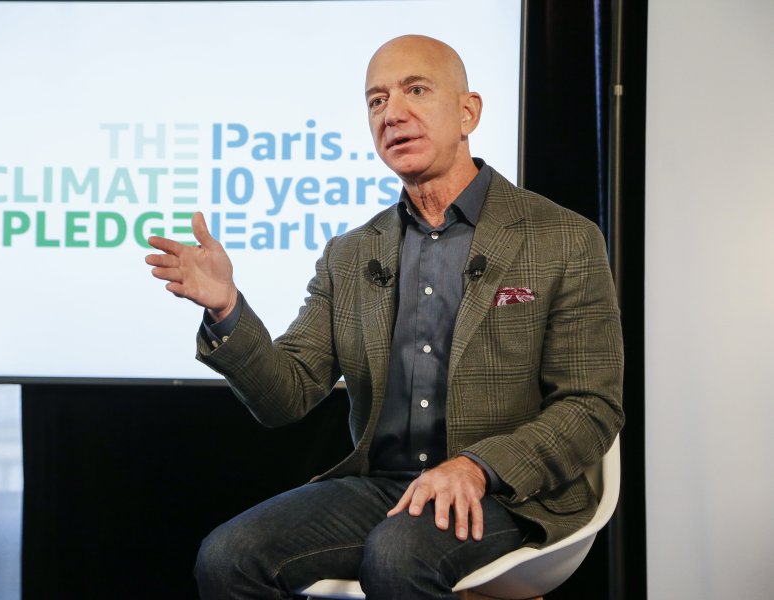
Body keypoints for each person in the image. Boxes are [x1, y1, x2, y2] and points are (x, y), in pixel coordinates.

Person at [145, 34, 624, 599]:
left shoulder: (561, 237)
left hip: (507, 492)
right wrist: (227, 307)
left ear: (468, 112)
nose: (393, 113)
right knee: (229, 557)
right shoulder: (349, 255)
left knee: (396, 554)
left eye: (415, 90)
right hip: (384, 486)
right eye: (376, 101)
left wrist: (474, 467)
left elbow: (590, 405)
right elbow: (286, 396)